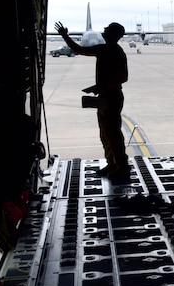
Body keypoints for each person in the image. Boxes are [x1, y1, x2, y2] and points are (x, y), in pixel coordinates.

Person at [54, 21, 130, 183]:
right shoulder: (105, 50)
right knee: (105, 133)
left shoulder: (115, 52)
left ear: (113, 34)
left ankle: (122, 167)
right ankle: (112, 163)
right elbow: (78, 50)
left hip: (111, 96)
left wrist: (101, 87)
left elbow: (123, 77)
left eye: (107, 29)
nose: (103, 30)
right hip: (105, 96)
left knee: (113, 134)